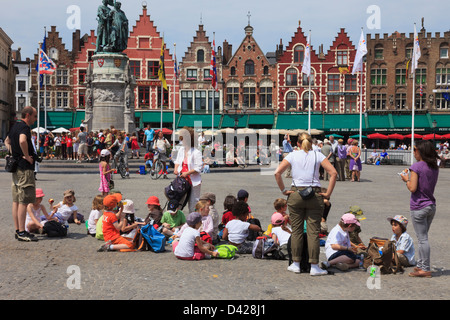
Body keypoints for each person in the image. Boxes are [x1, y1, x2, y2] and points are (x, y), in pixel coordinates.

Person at [274, 132, 337, 276]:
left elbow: (277, 173)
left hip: (296, 193)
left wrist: (284, 190)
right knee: (313, 232)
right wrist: (328, 194)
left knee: (296, 231)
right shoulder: (317, 155)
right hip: (314, 194)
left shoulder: (292, 155)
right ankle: (314, 266)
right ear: (311, 142)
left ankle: (295, 263)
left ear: (297, 143)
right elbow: (333, 173)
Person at [400, 140, 439, 278]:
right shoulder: (434, 167)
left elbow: (412, 188)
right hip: (431, 205)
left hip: (419, 206)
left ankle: (425, 268)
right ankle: (421, 264)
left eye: (415, 149)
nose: (413, 152)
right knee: (423, 238)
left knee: (422, 239)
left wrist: (406, 179)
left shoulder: (416, 167)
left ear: (421, 151)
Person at [5, 106, 38, 242]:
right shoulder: (24, 128)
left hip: (16, 167)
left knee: (16, 200)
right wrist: (26, 156)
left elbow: (7, 141)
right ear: (28, 115)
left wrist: (14, 154)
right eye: (35, 116)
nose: (35, 119)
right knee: (24, 201)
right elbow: (22, 140)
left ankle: (18, 230)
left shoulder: (15, 126)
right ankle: (22, 232)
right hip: (24, 168)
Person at [173, 127, 203, 213]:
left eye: (184, 139)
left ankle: (194, 222)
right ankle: (176, 222)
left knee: (193, 204)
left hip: (193, 181)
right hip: (181, 180)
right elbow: (177, 161)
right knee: (178, 202)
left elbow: (199, 167)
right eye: (182, 139)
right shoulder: (181, 150)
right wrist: (175, 169)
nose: (182, 141)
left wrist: (187, 173)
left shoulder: (196, 152)